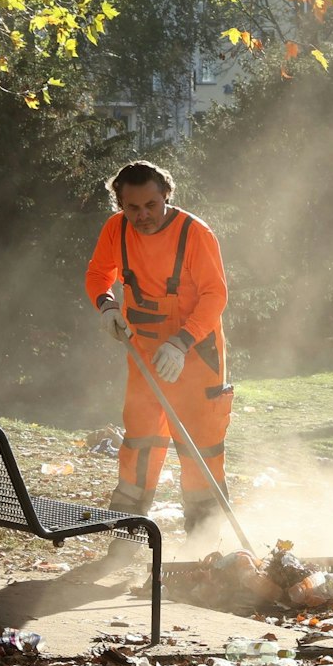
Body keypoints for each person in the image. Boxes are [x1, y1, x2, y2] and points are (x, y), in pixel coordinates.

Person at [83, 160, 232, 549]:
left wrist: (181, 342)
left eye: (151, 205)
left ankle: (203, 547)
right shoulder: (116, 229)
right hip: (145, 350)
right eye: (132, 208)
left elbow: (215, 295)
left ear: (166, 195)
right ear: (119, 204)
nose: (142, 216)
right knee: (140, 441)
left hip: (195, 353)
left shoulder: (195, 234)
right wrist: (107, 305)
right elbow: (99, 273)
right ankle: (125, 538)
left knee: (201, 447)